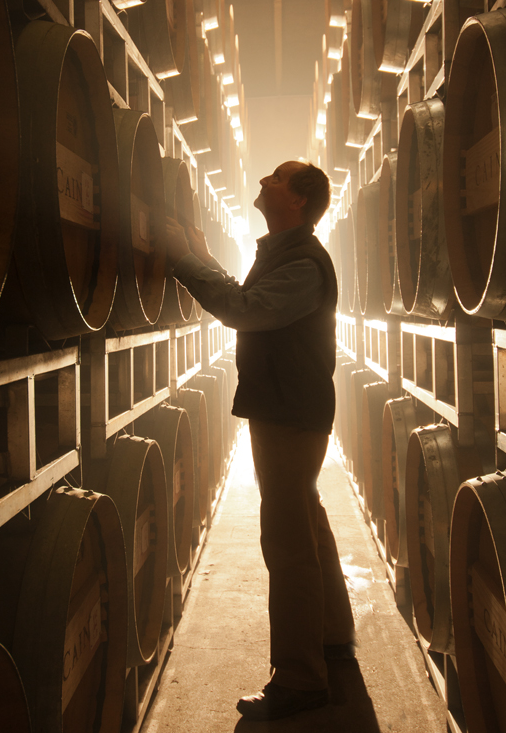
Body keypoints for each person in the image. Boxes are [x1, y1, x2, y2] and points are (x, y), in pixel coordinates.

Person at [165, 159, 355, 722]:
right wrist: (199, 255)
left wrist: (183, 262)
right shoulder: (281, 253)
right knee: (306, 519)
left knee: (286, 540)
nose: (265, 181)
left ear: (297, 199)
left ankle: (300, 678)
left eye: (278, 176)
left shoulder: (303, 263)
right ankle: (331, 636)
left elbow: (244, 310)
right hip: (287, 408)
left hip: (290, 412)